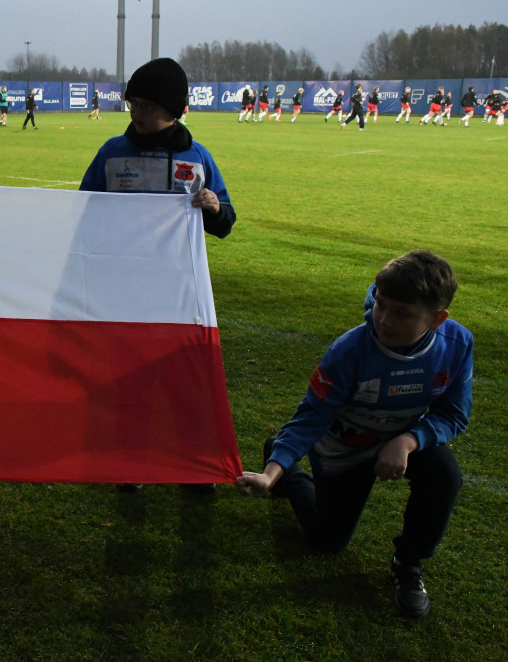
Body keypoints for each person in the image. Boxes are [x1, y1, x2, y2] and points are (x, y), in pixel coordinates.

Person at [236, 250, 472, 620]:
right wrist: (272, 471)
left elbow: (454, 413)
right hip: (344, 448)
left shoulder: (456, 345)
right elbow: (312, 418)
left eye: (402, 313)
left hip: (403, 441)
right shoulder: (350, 350)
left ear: (437, 319)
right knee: (327, 542)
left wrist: (407, 441)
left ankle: (408, 565)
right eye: (381, 305)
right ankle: (289, 473)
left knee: (444, 474)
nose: (384, 320)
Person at [79, 58, 237, 495]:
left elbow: (226, 221)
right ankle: (133, 463)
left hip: (180, 292)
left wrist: (212, 207)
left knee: (187, 382)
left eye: (148, 106)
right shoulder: (112, 152)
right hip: (125, 294)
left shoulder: (197, 156)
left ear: (175, 109)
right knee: (133, 384)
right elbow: (82, 214)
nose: (138, 114)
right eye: (134, 104)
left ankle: (194, 465)